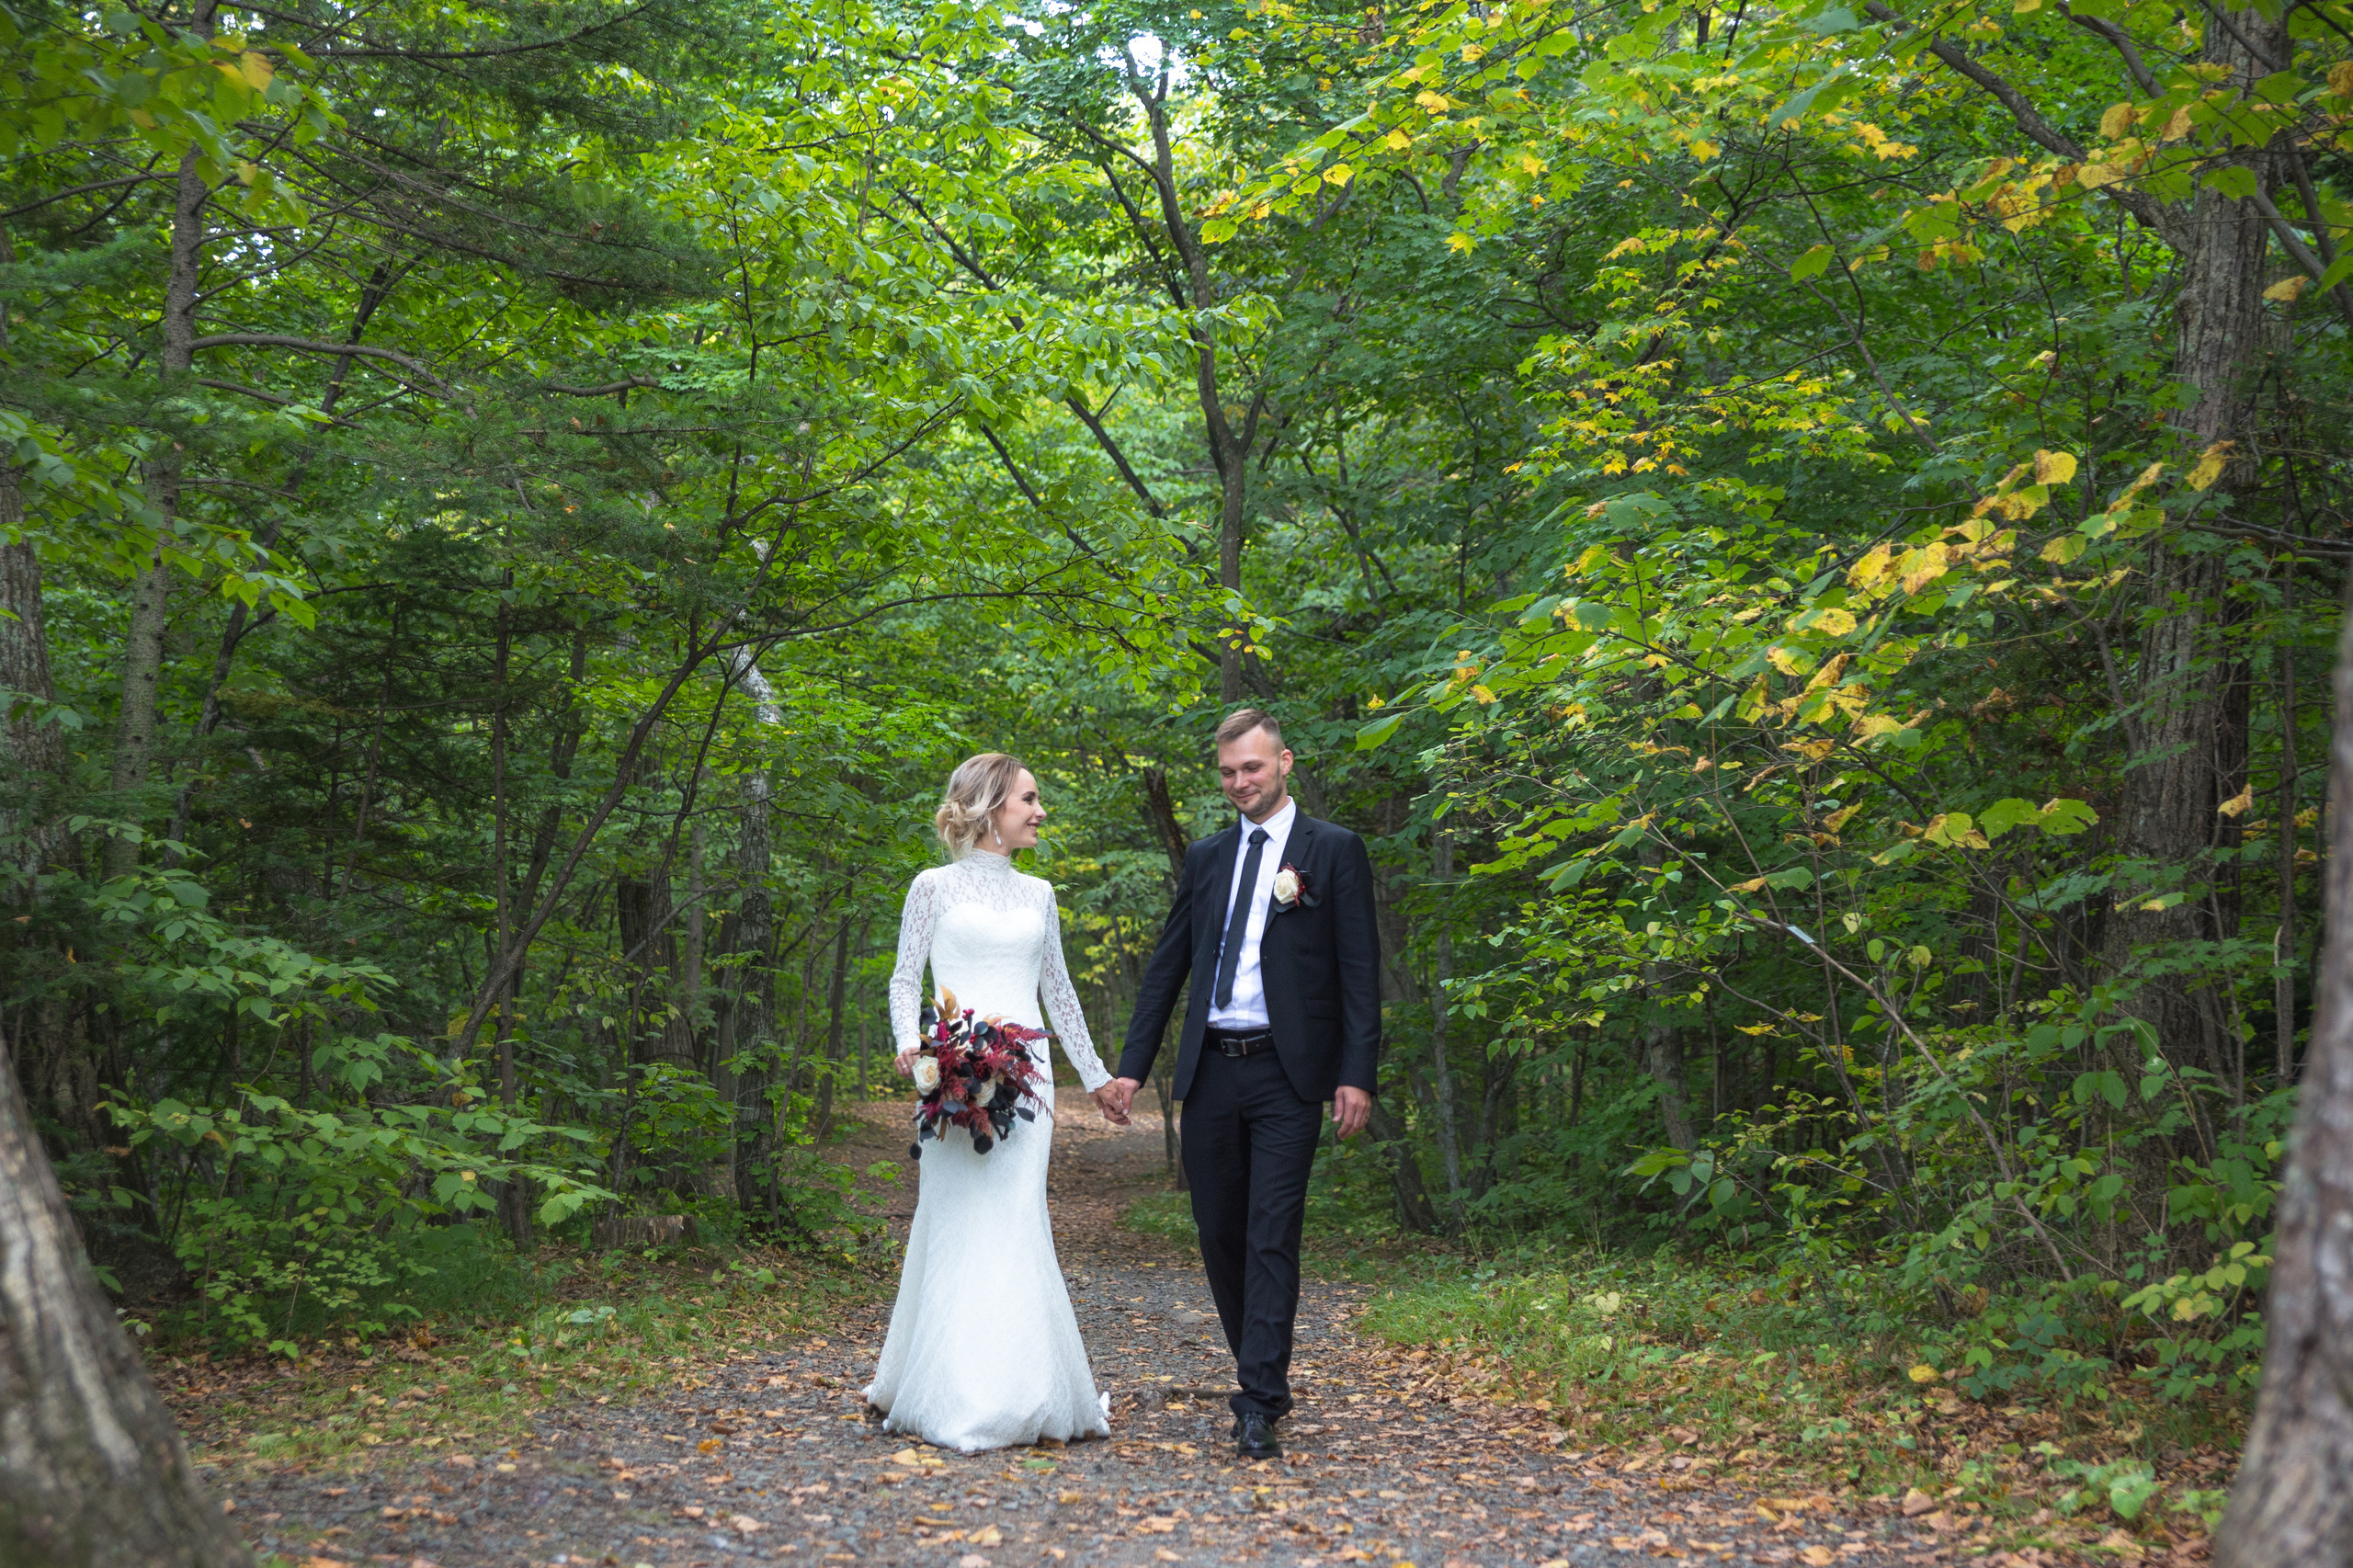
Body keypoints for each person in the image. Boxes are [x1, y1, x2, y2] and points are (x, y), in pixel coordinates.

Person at [1106, 710, 1381, 1460]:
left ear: (1284, 762)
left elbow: (1360, 972)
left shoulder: (1334, 851)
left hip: (1289, 1077)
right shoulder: (1207, 858)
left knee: (1270, 1235)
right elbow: (1168, 966)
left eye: (1252, 769)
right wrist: (1131, 1066)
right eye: (1228, 773)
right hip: (1211, 1071)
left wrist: (1356, 1074)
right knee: (1219, 1231)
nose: (1239, 784)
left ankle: (1258, 1396)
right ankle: (1259, 1368)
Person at [864, 753, 1131, 1451]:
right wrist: (909, 1042)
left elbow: (1061, 995)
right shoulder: (932, 887)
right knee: (952, 1218)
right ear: (990, 808)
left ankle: (1021, 1385)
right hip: (954, 1075)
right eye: (1030, 800)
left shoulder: (1039, 893)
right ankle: (944, 1385)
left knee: (1016, 1218)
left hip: (1027, 1079)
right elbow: (902, 977)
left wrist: (1098, 1076)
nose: (1041, 812)